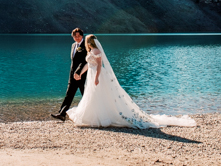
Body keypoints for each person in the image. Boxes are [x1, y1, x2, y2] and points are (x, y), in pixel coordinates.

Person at [66, 35, 196, 128]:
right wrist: (80, 73)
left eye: (87, 41)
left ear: (89, 42)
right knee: (91, 95)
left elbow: (99, 65)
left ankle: (102, 117)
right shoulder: (90, 52)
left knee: (99, 95)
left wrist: (96, 77)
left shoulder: (96, 51)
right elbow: (88, 65)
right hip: (91, 74)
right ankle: (91, 116)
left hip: (98, 75)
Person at [50, 28, 88, 121]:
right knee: (69, 95)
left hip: (82, 75)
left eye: (78, 36)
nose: (77, 37)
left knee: (86, 95)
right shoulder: (73, 45)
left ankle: (93, 114)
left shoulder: (86, 45)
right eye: (75, 36)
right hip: (72, 75)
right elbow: (73, 62)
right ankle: (62, 114)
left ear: (82, 36)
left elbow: (85, 60)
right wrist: (72, 74)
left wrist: (78, 72)